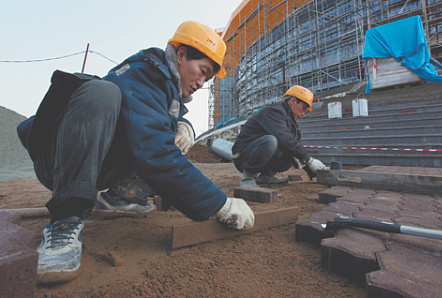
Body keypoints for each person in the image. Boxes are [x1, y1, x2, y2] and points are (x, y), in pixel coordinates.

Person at [17, 21, 255, 285]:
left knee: (170, 136)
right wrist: (219, 203)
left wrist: (183, 123)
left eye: (207, 78)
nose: (201, 82)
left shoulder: (165, 89)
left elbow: (154, 124)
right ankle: (64, 220)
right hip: (59, 161)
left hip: (96, 167)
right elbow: (155, 152)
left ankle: (121, 197)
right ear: (181, 55)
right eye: (202, 71)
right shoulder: (144, 73)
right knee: (103, 92)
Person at [231, 85, 326, 187]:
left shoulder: (289, 121)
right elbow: (283, 138)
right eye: (303, 108)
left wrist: (311, 168)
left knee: (292, 149)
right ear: (293, 101)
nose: (303, 114)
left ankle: (266, 176)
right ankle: (248, 178)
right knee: (270, 141)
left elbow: (293, 145)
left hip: (258, 152)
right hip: (243, 156)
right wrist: (309, 160)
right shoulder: (274, 112)